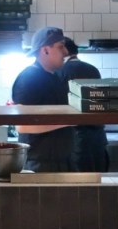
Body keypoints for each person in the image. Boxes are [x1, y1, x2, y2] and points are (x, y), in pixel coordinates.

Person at [11, 26, 74, 172]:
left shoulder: (55, 77)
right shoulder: (29, 78)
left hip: (62, 161)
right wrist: (70, 120)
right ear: (45, 50)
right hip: (40, 164)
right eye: (61, 47)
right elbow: (22, 126)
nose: (66, 52)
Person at [59, 37, 109, 173]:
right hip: (98, 136)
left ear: (65, 52)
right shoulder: (93, 69)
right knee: (99, 179)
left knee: (80, 184)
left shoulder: (61, 71)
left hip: (76, 137)